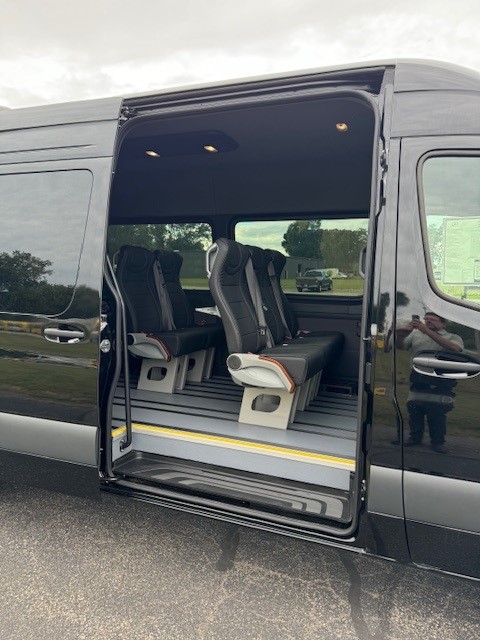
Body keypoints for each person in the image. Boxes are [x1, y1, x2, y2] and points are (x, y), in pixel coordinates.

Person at [397, 312, 464, 453]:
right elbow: (401, 347)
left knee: (437, 412)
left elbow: (456, 349)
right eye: (426, 319)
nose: (428, 322)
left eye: (432, 320)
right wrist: (401, 334)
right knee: (415, 409)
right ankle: (415, 437)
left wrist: (426, 331)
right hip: (418, 375)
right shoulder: (416, 335)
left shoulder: (453, 337)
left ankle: (437, 442)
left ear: (443, 323)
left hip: (440, 378)